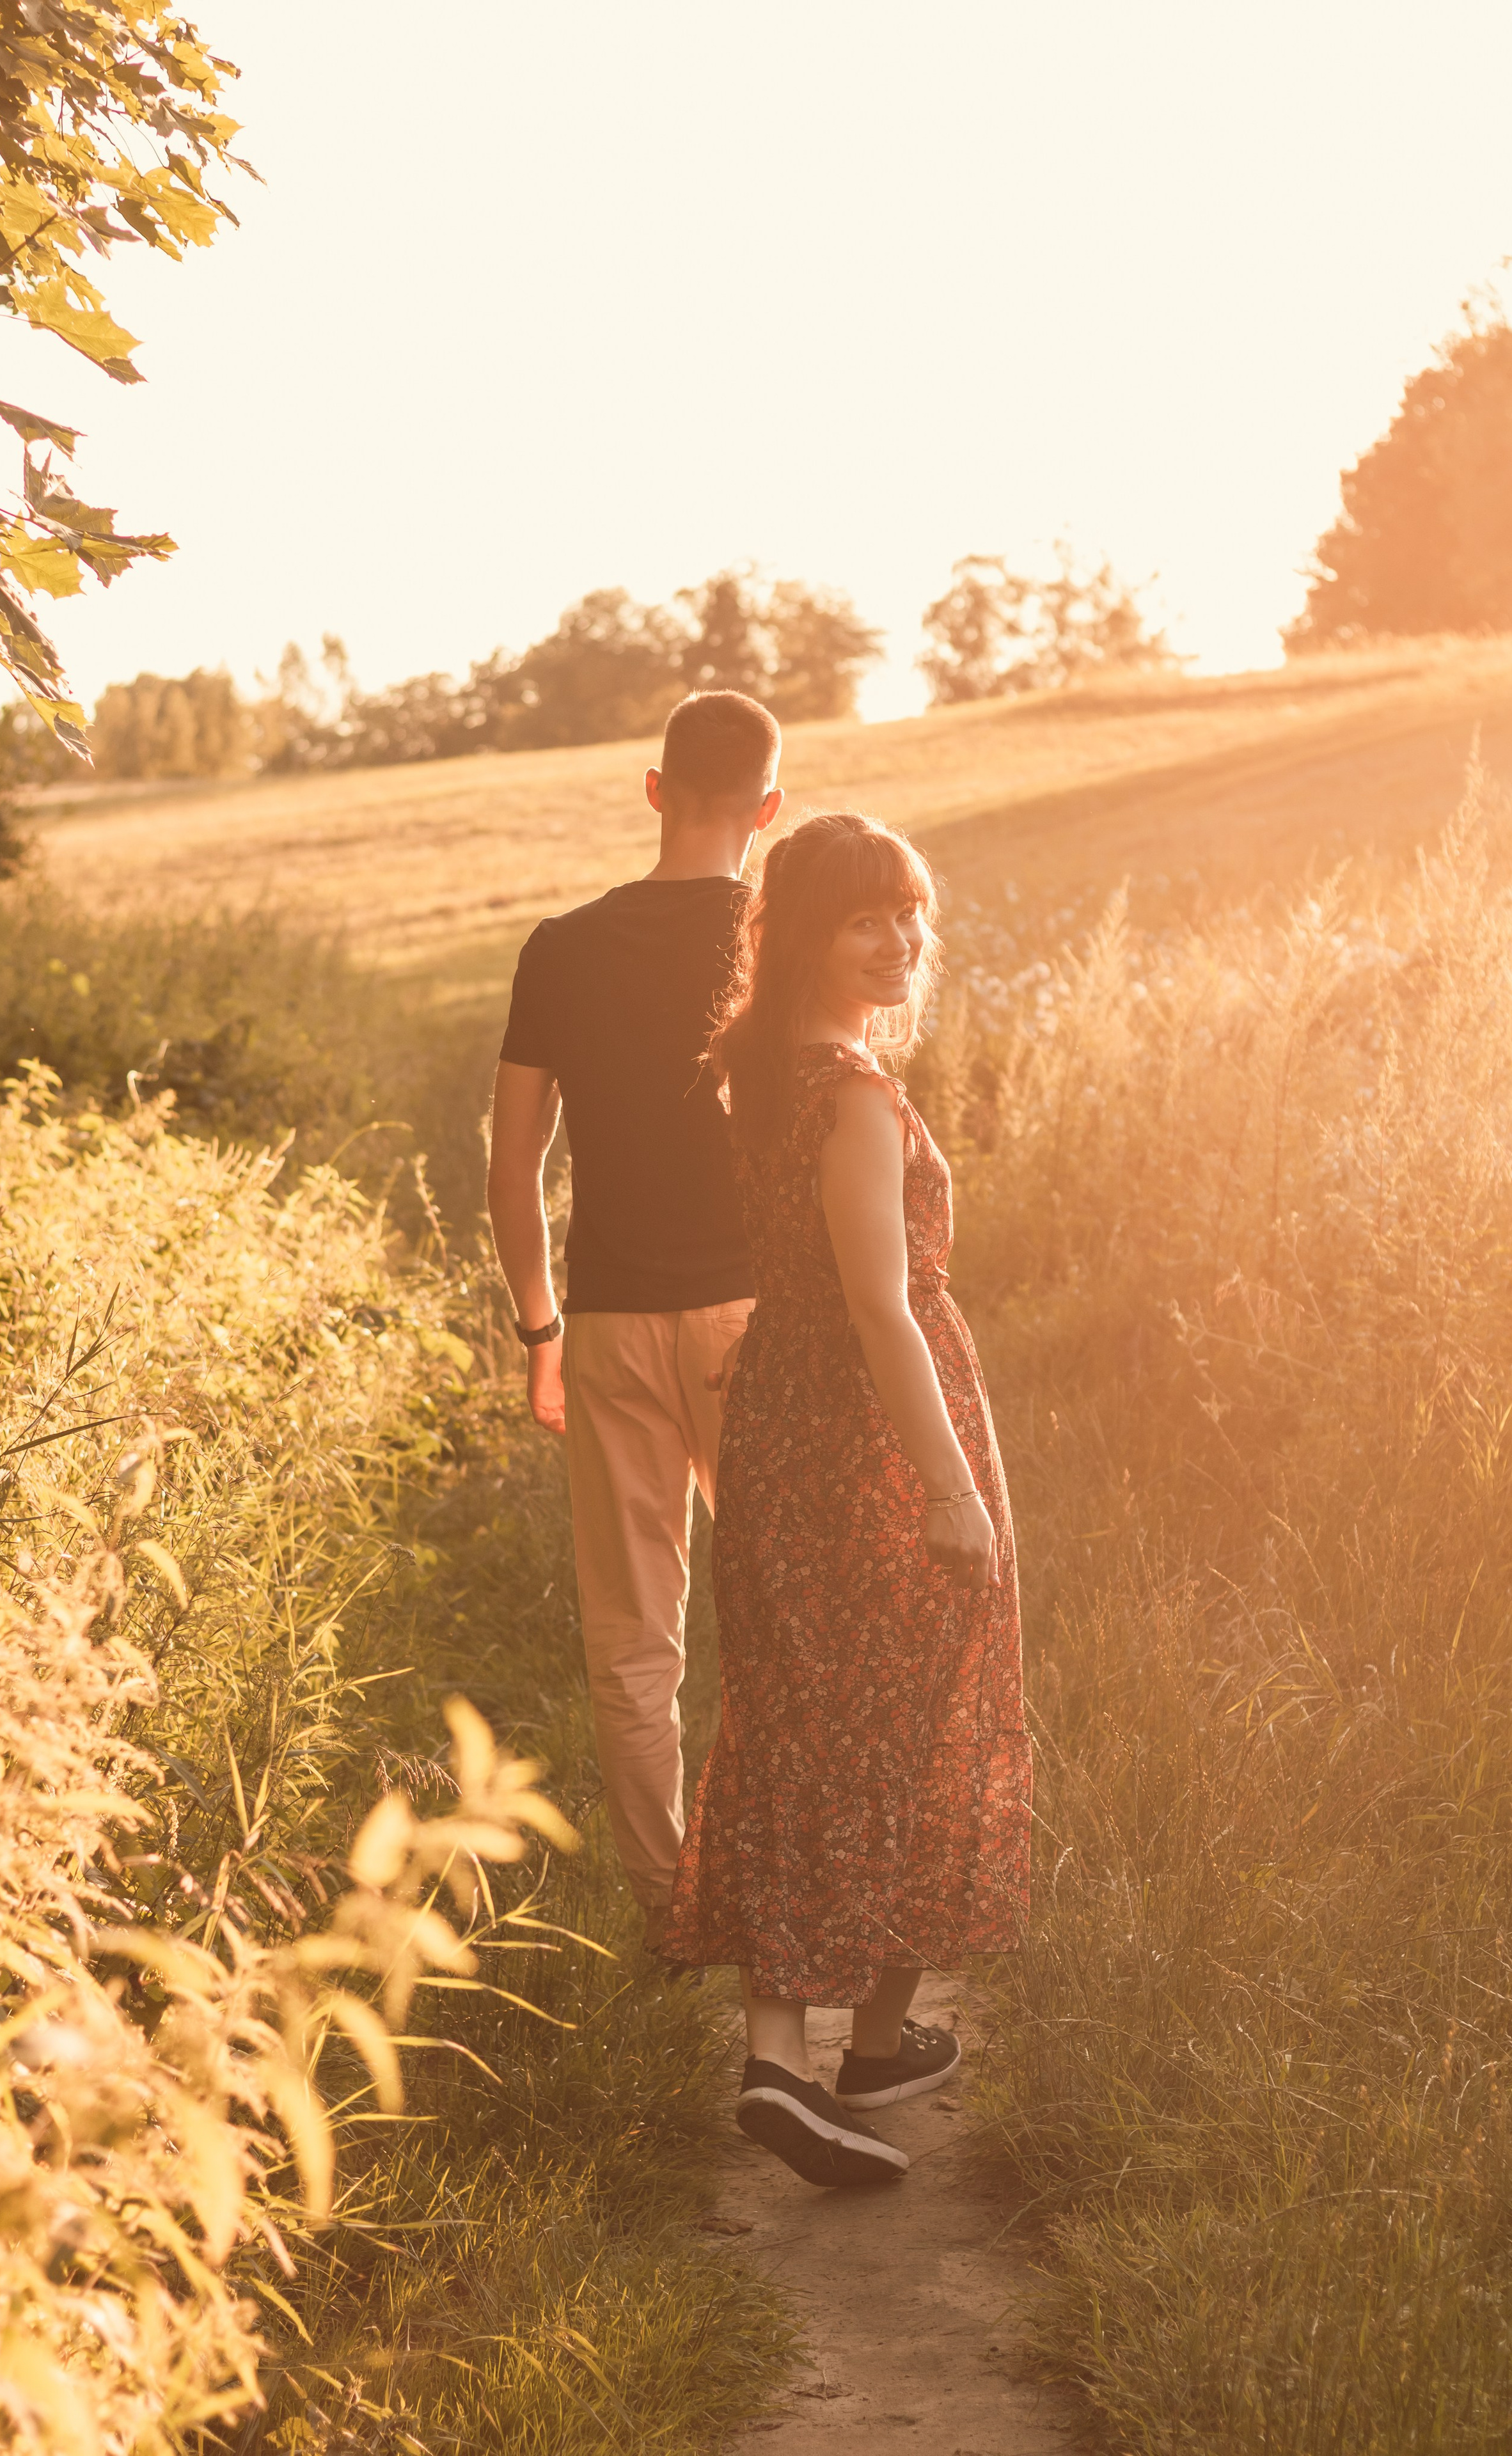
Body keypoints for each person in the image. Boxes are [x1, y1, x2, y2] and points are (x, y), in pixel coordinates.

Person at [664, 810, 1032, 2187]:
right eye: (866, 917)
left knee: (796, 1714)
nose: (899, 940)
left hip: (777, 1421)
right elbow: (880, 1306)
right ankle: (865, 2041)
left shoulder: (764, 1070)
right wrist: (947, 1486)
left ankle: (794, 2057)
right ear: (801, 933)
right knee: (925, 1713)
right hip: (867, 1433)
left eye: (911, 915)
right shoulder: (855, 1098)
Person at [487, 691, 784, 1952]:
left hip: (607, 1325)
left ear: (653, 790)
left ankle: (673, 1910)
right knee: (784, 1607)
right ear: (770, 811)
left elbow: (512, 1171)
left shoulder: (559, 947)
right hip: (758, 1330)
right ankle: (790, 1878)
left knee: (631, 1639)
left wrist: (538, 1333)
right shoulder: (781, 938)